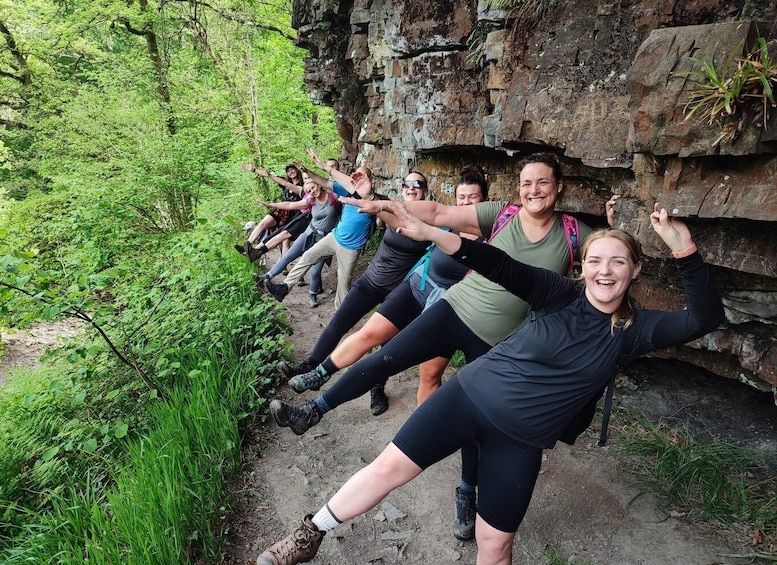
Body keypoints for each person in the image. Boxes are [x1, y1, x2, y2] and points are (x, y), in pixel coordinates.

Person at [255, 202, 725, 565]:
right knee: (387, 471)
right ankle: (310, 533)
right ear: (580, 267)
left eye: (617, 262)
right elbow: (498, 264)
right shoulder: (558, 294)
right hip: (466, 397)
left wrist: (683, 247)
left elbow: (705, 318)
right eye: (595, 260)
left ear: (634, 270)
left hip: (521, 441)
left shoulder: (635, 331)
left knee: (496, 545)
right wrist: (429, 233)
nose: (604, 271)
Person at [269, 153, 608, 540]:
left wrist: (614, 224)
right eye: (527, 183)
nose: (534, 190)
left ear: (559, 186)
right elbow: (437, 211)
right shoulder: (502, 214)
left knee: (479, 424)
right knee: (386, 359)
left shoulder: (573, 233)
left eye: (543, 183)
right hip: (454, 308)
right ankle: (312, 411)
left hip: (500, 341)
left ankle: (467, 492)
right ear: (518, 188)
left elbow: (604, 263)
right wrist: (382, 203)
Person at [278, 165, 489, 414]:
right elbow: (395, 214)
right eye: (461, 197)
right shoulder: (443, 219)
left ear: (485, 200)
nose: (465, 203)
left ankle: (400, 412)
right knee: (360, 332)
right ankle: (316, 373)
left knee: (418, 369)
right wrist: (371, 198)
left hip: (443, 306)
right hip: (400, 287)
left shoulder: (491, 234)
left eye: (472, 198)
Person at [266, 169, 433, 411]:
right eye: (407, 183)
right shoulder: (390, 205)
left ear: (425, 191)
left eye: (417, 184)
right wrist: (327, 170)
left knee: (382, 345)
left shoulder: (431, 220)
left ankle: (377, 390)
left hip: (396, 291)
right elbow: (359, 193)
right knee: (339, 322)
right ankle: (309, 367)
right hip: (370, 281)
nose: (411, 187)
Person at [260, 149, 378, 308]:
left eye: (363, 176)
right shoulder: (348, 191)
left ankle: (340, 317)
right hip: (334, 237)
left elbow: (382, 221)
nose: (359, 179)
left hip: (351, 248)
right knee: (307, 256)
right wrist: (307, 171)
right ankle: (285, 287)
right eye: (356, 175)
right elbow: (324, 182)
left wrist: (378, 219)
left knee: (343, 283)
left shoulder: (377, 201)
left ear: (371, 179)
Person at [251, 180, 341, 307]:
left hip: (324, 239)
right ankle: (266, 277)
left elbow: (346, 207)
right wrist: (270, 204)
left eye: (313, 188)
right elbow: (290, 205)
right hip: (310, 233)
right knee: (288, 256)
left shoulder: (333, 197)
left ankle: (312, 295)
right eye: (309, 191)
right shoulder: (310, 200)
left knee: (316, 270)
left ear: (318, 185)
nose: (312, 192)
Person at [236, 163, 304, 261]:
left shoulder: (303, 185)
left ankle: (283, 264)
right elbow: (269, 175)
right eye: (288, 171)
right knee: (264, 222)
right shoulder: (285, 181)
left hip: (293, 213)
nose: (291, 172)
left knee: (284, 240)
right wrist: (253, 170)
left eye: (292, 170)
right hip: (280, 209)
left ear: (297, 170)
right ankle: (247, 246)